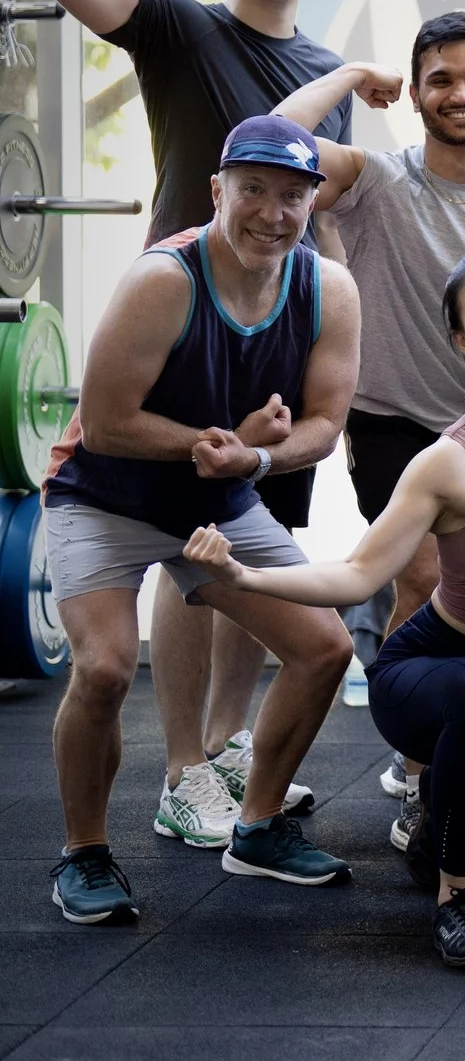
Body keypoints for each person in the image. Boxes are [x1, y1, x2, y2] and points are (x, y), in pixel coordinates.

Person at [181, 247, 465, 968]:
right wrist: (243, 576)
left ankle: (457, 799)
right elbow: (356, 575)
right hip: (437, 669)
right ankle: (456, 896)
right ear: (461, 339)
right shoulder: (447, 462)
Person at [35, 0, 360, 806]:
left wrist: (330, 323)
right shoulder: (183, 26)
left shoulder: (321, 67)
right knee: (192, 536)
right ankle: (182, 765)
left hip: (277, 336)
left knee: (257, 544)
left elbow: (320, 218)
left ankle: (225, 744)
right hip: (178, 325)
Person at [273, 13, 465, 840]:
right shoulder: (376, 179)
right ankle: (420, 776)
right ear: (414, 94)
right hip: (397, 422)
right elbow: (273, 138)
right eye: (441, 79)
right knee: (418, 580)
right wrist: (347, 80)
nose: (461, 93)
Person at [44, 117, 360, 925]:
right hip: (104, 495)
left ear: (313, 204)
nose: (272, 211)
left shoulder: (328, 287)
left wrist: (249, 464)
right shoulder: (166, 279)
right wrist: (211, 445)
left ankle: (256, 828)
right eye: (252, 189)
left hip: (217, 497)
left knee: (324, 647)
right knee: (109, 667)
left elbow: (325, 423)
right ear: (217, 191)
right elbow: (107, 422)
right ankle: (83, 852)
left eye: (292, 195)